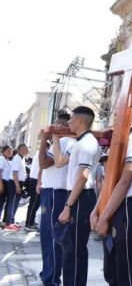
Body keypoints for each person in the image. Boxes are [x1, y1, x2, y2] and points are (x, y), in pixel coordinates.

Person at [90, 109, 132, 286]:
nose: (114, 115)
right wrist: (97, 210)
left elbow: (124, 182)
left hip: (127, 206)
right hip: (113, 203)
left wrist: (104, 216)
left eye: (118, 111)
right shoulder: (121, 140)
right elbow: (111, 180)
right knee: (111, 265)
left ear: (131, 113)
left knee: (124, 265)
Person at [53, 106, 101, 286]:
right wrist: (55, 137)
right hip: (74, 195)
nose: (69, 122)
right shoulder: (77, 143)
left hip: (81, 197)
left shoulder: (88, 143)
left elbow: (83, 177)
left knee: (75, 249)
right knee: (69, 248)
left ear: (80, 120)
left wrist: (68, 207)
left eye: (71, 119)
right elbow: (58, 162)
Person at [38, 111, 76, 286]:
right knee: (46, 236)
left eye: (57, 124)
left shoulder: (66, 141)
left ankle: (52, 278)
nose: (53, 126)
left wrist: (45, 140)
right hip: (50, 191)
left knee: (52, 237)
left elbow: (44, 163)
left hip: (56, 192)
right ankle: (48, 272)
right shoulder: (58, 141)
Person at [4, 143, 28, 231]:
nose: (27, 150)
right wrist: (17, 186)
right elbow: (15, 173)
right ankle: (8, 223)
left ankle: (12, 221)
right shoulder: (17, 159)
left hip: (19, 183)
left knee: (15, 203)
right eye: (25, 149)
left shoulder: (22, 158)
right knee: (12, 203)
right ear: (20, 149)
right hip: (14, 183)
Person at [24, 150, 41, 231]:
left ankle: (31, 221)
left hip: (35, 180)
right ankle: (29, 223)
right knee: (34, 204)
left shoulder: (38, 153)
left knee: (35, 204)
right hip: (36, 181)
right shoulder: (42, 153)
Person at [0, 145, 12, 228]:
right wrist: (1, 185)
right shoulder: (1, 159)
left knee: (3, 202)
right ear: (3, 151)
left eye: (11, 151)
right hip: (2, 182)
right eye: (8, 150)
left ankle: (3, 222)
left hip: (7, 183)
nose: (10, 152)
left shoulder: (7, 160)